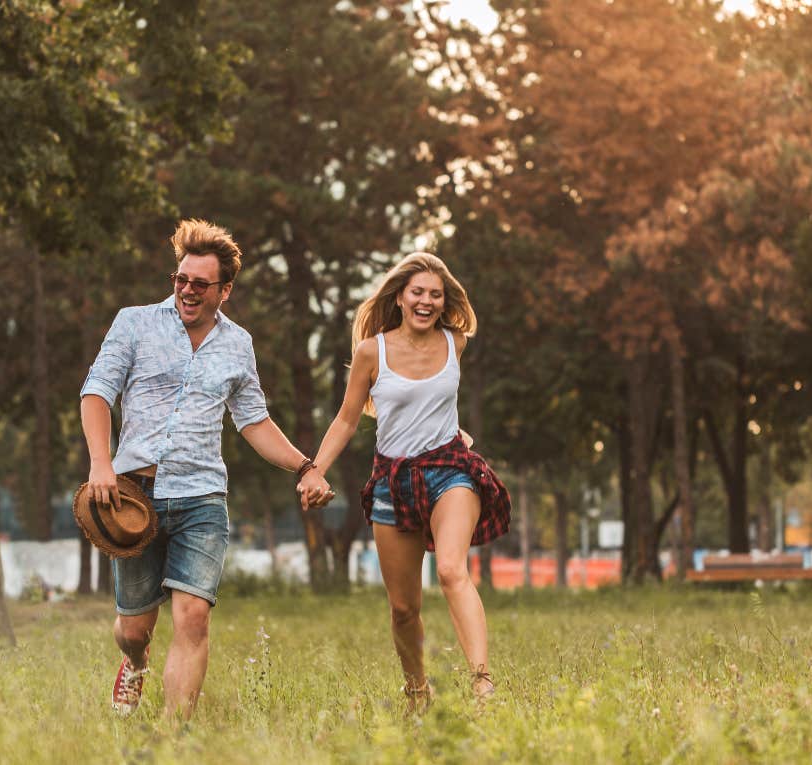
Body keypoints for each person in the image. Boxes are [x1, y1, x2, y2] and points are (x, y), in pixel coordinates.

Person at [80, 219, 331, 719]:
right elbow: (97, 392)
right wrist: (101, 464)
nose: (187, 291)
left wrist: (307, 466)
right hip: (132, 495)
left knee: (193, 619)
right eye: (180, 280)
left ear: (225, 290)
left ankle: (176, 741)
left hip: (202, 498)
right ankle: (135, 663)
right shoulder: (135, 323)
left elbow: (254, 421)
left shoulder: (239, 345)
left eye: (200, 284)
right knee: (135, 628)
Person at [301, 252, 510, 709]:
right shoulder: (371, 351)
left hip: (449, 470)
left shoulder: (457, 343)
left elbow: (437, 408)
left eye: (436, 294)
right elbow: (346, 419)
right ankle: (417, 689)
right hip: (393, 480)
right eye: (418, 292)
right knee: (403, 609)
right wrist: (314, 468)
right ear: (399, 297)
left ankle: (482, 683)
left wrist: (456, 434)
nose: (427, 301)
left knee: (453, 569)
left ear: (444, 301)